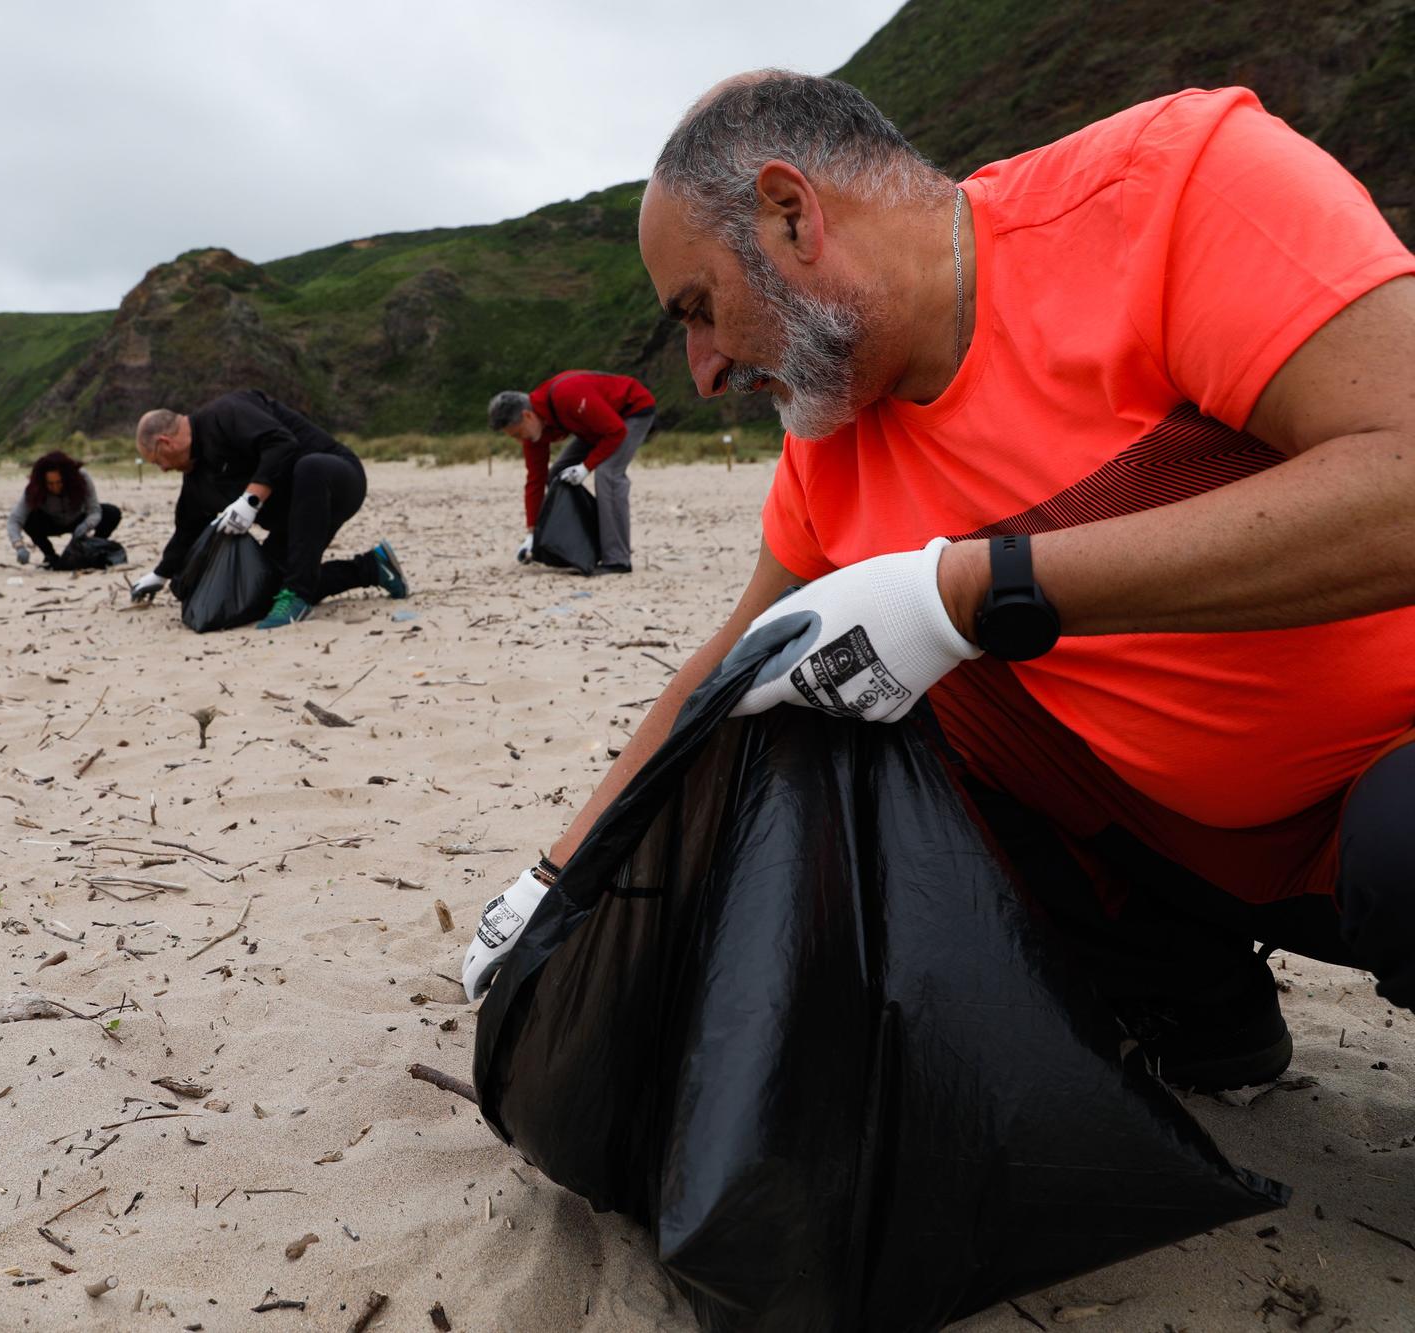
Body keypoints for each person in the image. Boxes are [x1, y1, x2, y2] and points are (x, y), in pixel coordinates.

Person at [465, 73, 1415, 1092]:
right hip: (1165, 845)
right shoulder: (830, 437)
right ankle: (1198, 1015)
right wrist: (556, 874)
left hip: (1377, 781)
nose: (698, 372)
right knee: (825, 702)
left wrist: (968, 592)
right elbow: (736, 662)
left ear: (791, 215)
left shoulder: (1168, 190)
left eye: (698, 310)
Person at [126, 390, 409, 628]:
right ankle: (372, 568)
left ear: (165, 442)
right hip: (293, 520)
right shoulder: (197, 479)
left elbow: (281, 443)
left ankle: (298, 596)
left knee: (309, 468)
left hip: (336, 480)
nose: (162, 469)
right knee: (263, 593)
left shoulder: (226, 414)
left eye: (157, 460)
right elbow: (187, 528)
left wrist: (251, 499)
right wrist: (160, 575)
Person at [488, 371, 656, 572]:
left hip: (631, 411)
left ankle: (618, 560)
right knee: (558, 474)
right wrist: (532, 534)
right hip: (594, 426)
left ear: (527, 415)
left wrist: (586, 467)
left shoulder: (567, 395)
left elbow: (616, 431)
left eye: (517, 433)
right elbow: (535, 479)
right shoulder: (533, 432)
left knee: (607, 473)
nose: (518, 440)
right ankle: (581, 542)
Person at [6, 449, 119, 567]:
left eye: (59, 482)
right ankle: (50, 555)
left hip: (78, 520)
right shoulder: (35, 487)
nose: (55, 487)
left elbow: (94, 511)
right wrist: (19, 546)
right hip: (50, 523)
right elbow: (14, 520)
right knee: (29, 519)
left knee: (111, 513)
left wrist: (86, 526)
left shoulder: (81, 478)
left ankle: (91, 549)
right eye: (50, 484)